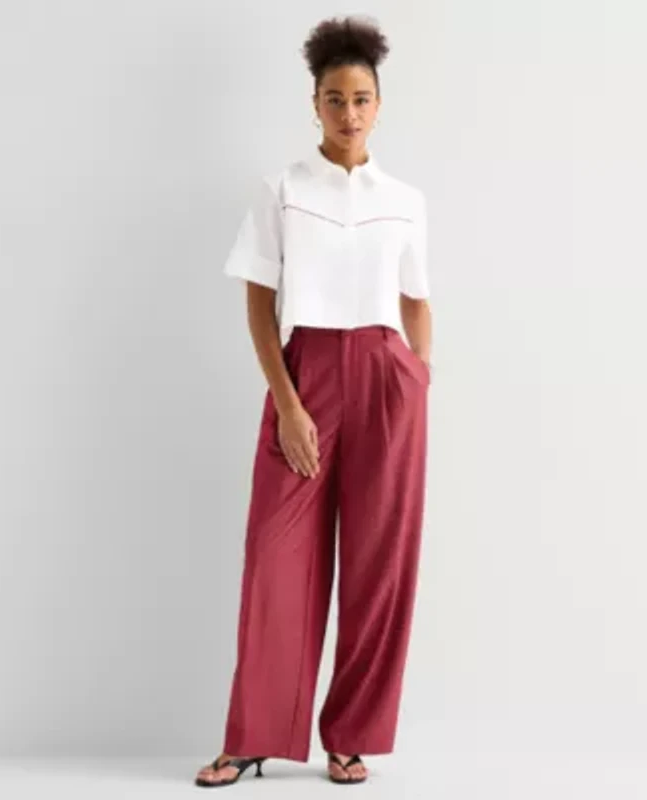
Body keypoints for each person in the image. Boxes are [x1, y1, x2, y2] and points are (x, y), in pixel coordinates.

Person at [195, 14, 432, 788]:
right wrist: (289, 404)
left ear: (379, 105)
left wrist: (418, 379)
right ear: (315, 104)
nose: (349, 113)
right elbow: (259, 304)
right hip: (307, 375)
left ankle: (350, 736)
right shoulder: (283, 191)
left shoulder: (405, 199)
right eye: (335, 99)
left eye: (361, 99)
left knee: (378, 564)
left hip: (387, 381)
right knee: (276, 559)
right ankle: (253, 736)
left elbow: (417, 299)